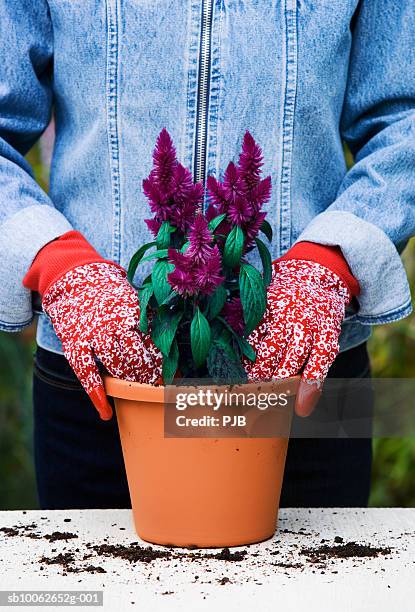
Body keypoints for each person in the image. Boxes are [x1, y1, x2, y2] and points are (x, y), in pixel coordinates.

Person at [0, 1, 414, 510]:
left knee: (318, 588)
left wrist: (335, 258)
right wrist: (54, 258)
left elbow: (404, 118)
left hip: (306, 376)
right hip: (100, 384)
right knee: (101, 588)